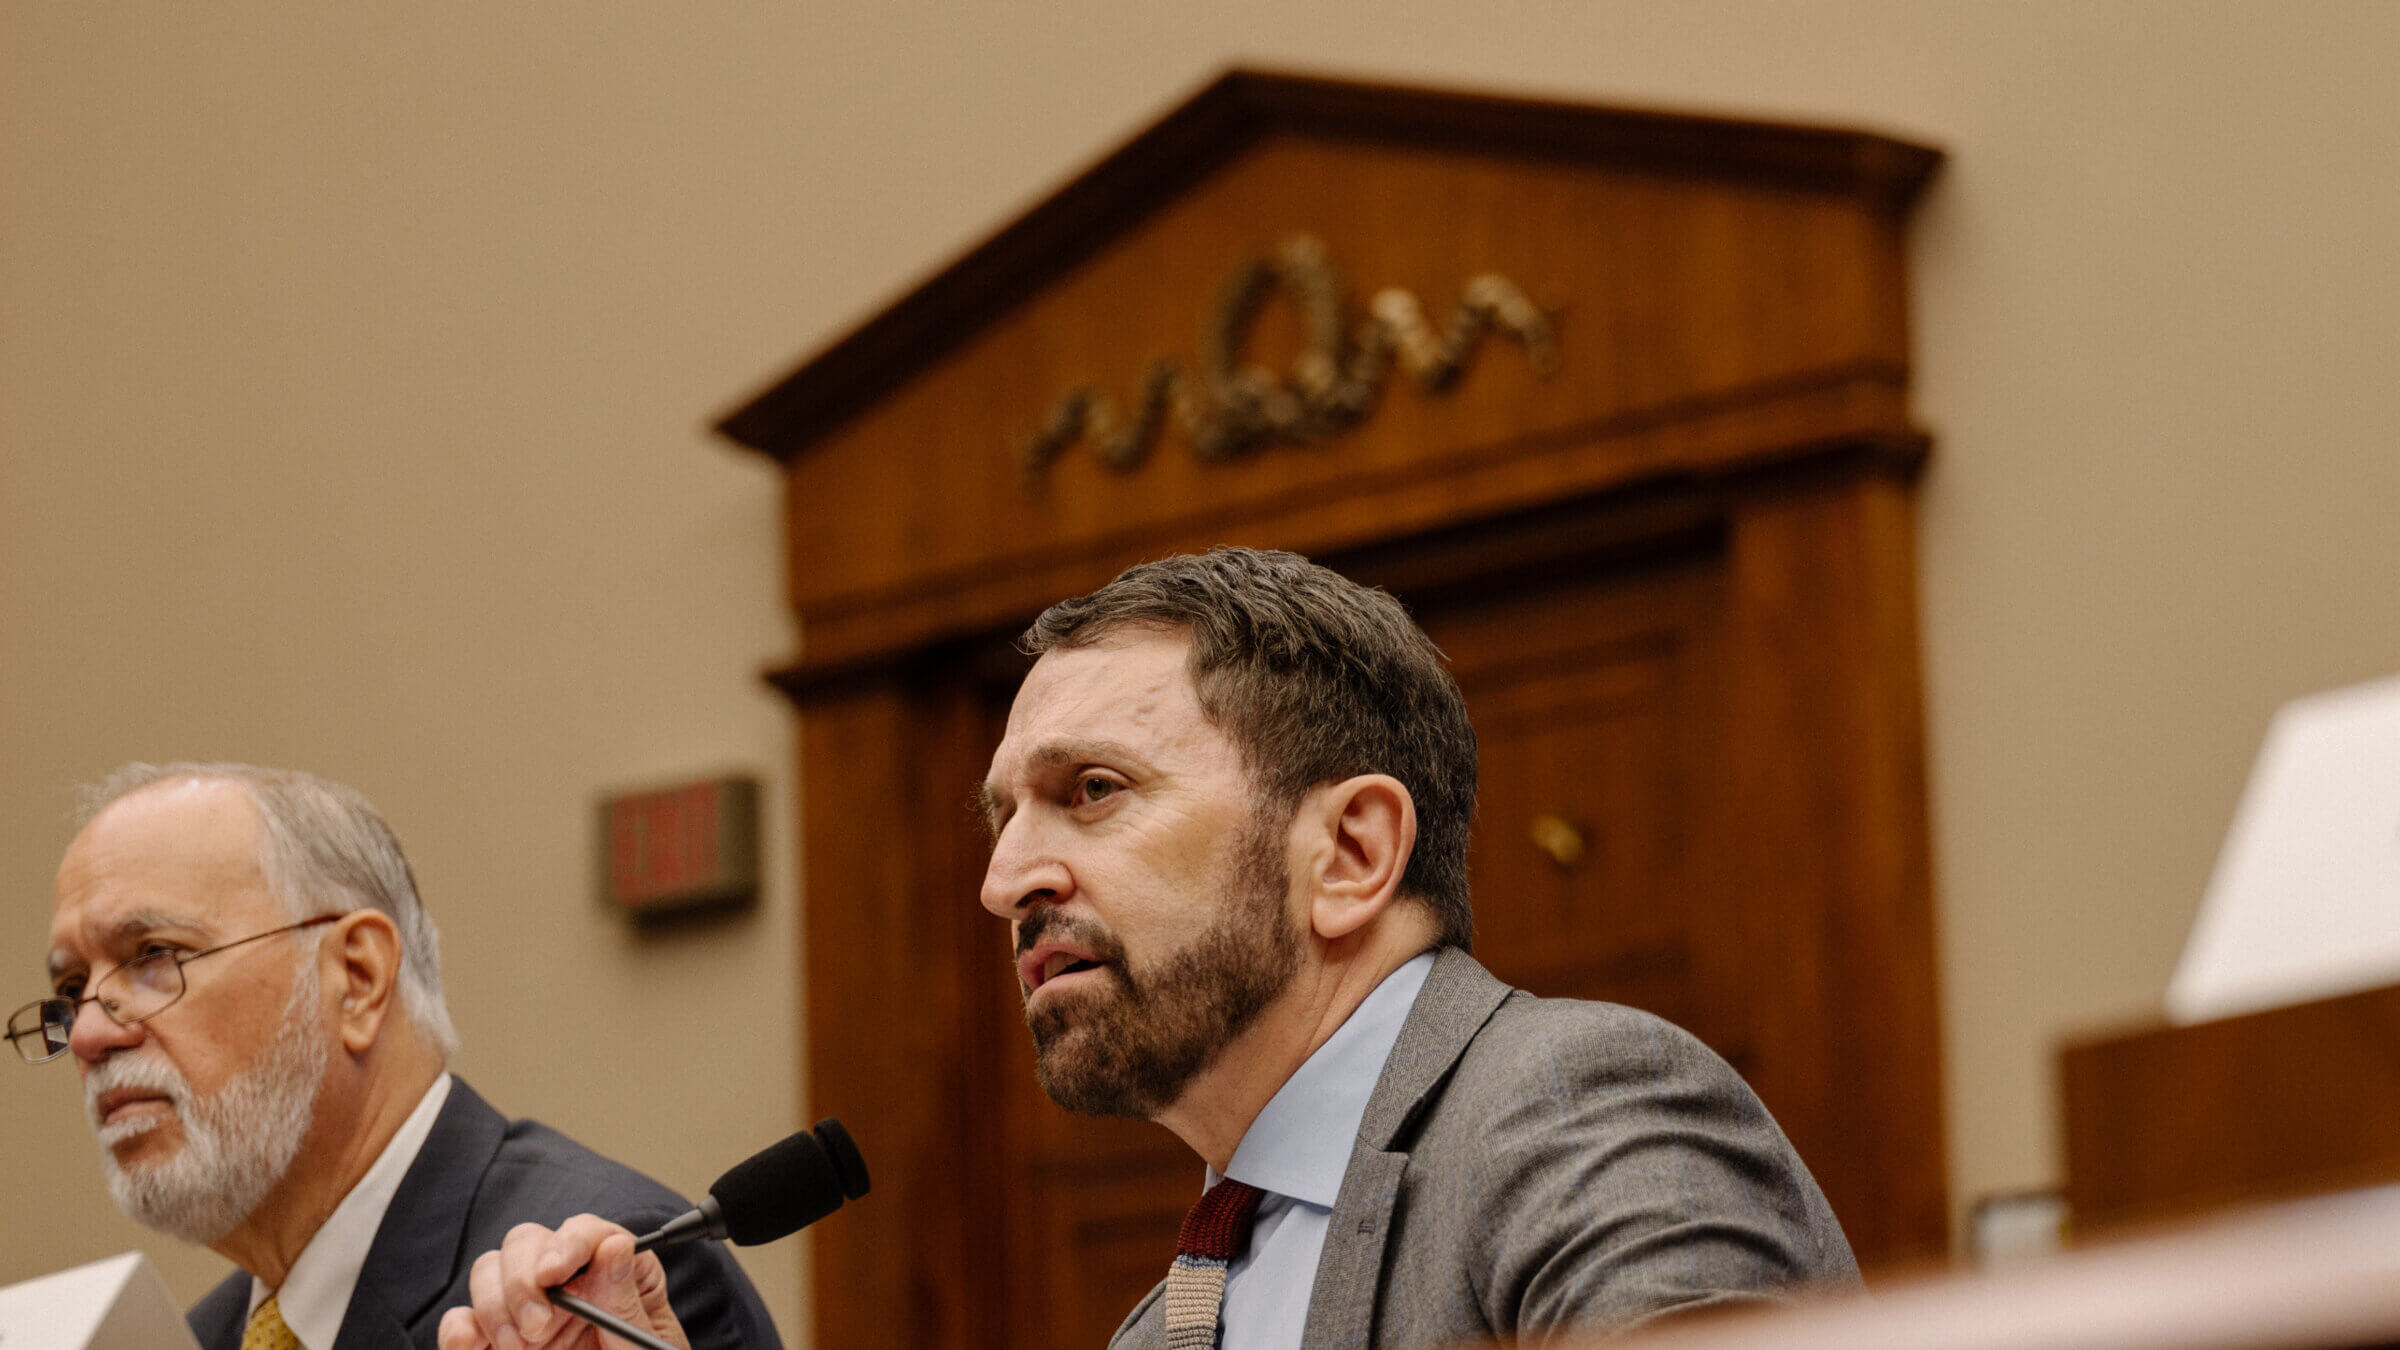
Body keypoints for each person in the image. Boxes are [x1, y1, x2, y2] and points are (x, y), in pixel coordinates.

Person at [440, 548, 1858, 1350]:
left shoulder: (1573, 1105)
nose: (1006, 878)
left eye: (1092, 792)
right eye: (1000, 819)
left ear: (1352, 851)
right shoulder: (1167, 1318)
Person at [10, 763, 779, 1350]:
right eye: (73, 987)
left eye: (153, 955)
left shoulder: (590, 1279)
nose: (87, 1034)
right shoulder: (204, 1337)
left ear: (358, 979)